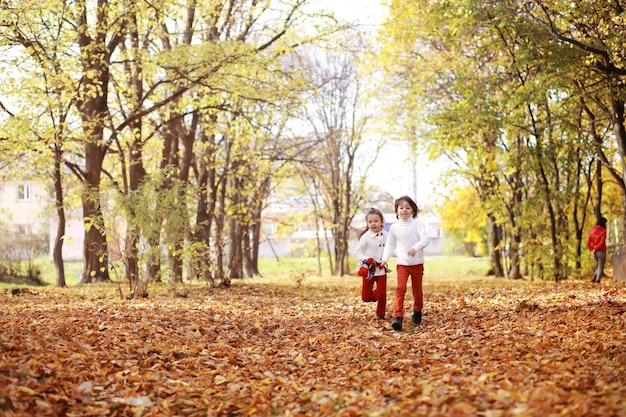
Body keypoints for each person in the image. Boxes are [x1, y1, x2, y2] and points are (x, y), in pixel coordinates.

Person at [380, 196, 430, 331]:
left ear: (413, 210)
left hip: (417, 263)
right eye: (401, 208)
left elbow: (425, 239)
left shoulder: (417, 224)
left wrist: (415, 248)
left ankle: (417, 310)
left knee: (417, 291)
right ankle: (398, 317)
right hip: (402, 264)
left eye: (408, 208)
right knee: (400, 288)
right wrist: (385, 259)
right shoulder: (395, 227)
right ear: (396, 211)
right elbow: (389, 245)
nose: (404, 210)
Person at [354, 208, 388, 320]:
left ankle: (380, 315)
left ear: (382, 222)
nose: (373, 223)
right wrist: (367, 259)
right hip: (369, 271)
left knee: (382, 295)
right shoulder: (366, 237)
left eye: (376, 221)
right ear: (367, 223)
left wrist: (401, 255)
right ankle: (374, 294)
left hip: (381, 270)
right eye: (370, 222)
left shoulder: (387, 235)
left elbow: (391, 249)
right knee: (366, 297)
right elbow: (357, 252)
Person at [587, 216, 607, 283]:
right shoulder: (603, 231)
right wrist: (595, 249)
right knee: (600, 266)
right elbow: (601, 242)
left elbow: (588, 243)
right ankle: (597, 280)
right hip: (601, 251)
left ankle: (594, 277)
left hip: (595, 252)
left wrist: (592, 250)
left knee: (598, 265)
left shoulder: (592, 231)